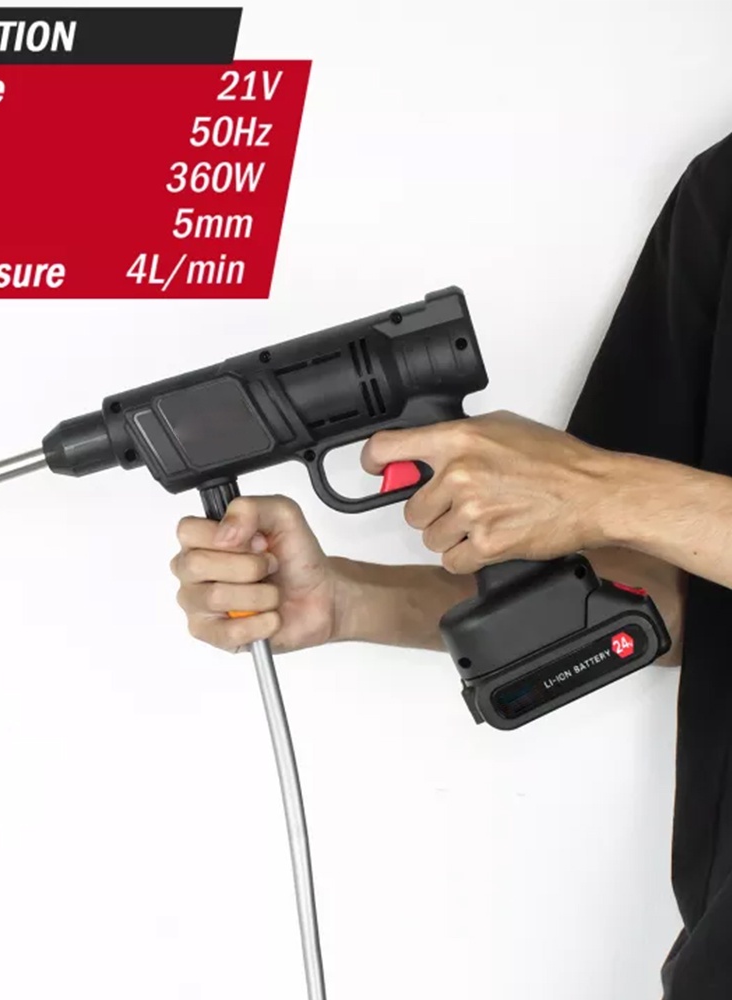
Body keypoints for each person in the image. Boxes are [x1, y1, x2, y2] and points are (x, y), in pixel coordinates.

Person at [170, 131, 732, 999]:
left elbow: (619, 502)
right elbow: (659, 600)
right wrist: (350, 600)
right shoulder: (724, 196)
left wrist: (600, 487)